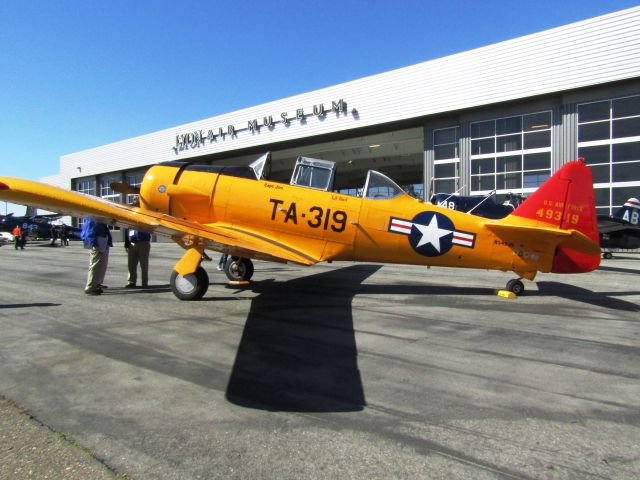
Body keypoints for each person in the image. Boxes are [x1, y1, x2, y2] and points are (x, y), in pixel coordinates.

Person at [80, 216, 112, 295]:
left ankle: (97, 283)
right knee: (95, 264)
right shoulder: (94, 216)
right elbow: (93, 229)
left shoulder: (92, 216)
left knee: (101, 264)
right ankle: (90, 287)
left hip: (100, 239)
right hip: (97, 240)